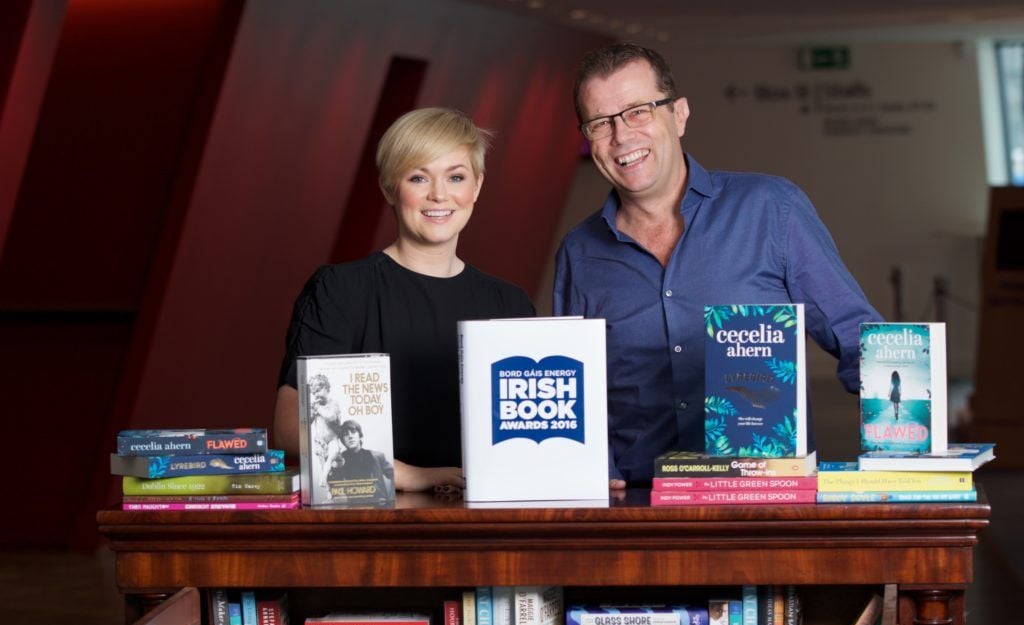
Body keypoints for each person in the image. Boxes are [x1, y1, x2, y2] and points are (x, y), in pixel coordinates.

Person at [553, 43, 882, 487]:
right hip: (636, 509)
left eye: (638, 111)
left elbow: (859, 339)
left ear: (680, 114)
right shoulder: (579, 253)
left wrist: (908, 445)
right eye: (601, 122)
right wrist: (593, 471)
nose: (621, 136)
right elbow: (571, 391)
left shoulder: (771, 209)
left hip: (762, 500)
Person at [275, 108, 535, 492]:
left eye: (456, 177)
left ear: (477, 186)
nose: (439, 195)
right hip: (371, 518)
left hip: (483, 520)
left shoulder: (510, 305)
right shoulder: (340, 290)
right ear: (388, 188)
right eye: (418, 177)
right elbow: (287, 428)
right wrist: (406, 474)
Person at [325, 418, 395, 501]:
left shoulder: (377, 456)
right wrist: (334, 465)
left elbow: (394, 475)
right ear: (342, 440)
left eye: (353, 432)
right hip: (354, 510)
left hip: (378, 507)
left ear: (360, 436)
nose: (350, 436)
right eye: (345, 434)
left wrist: (392, 498)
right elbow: (332, 487)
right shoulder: (339, 460)